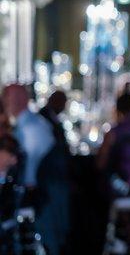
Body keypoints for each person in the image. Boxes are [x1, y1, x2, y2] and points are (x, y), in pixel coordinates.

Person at [36, 90, 71, 255]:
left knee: (58, 221)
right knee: (53, 222)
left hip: (56, 178)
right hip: (50, 178)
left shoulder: (50, 118)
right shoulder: (44, 118)